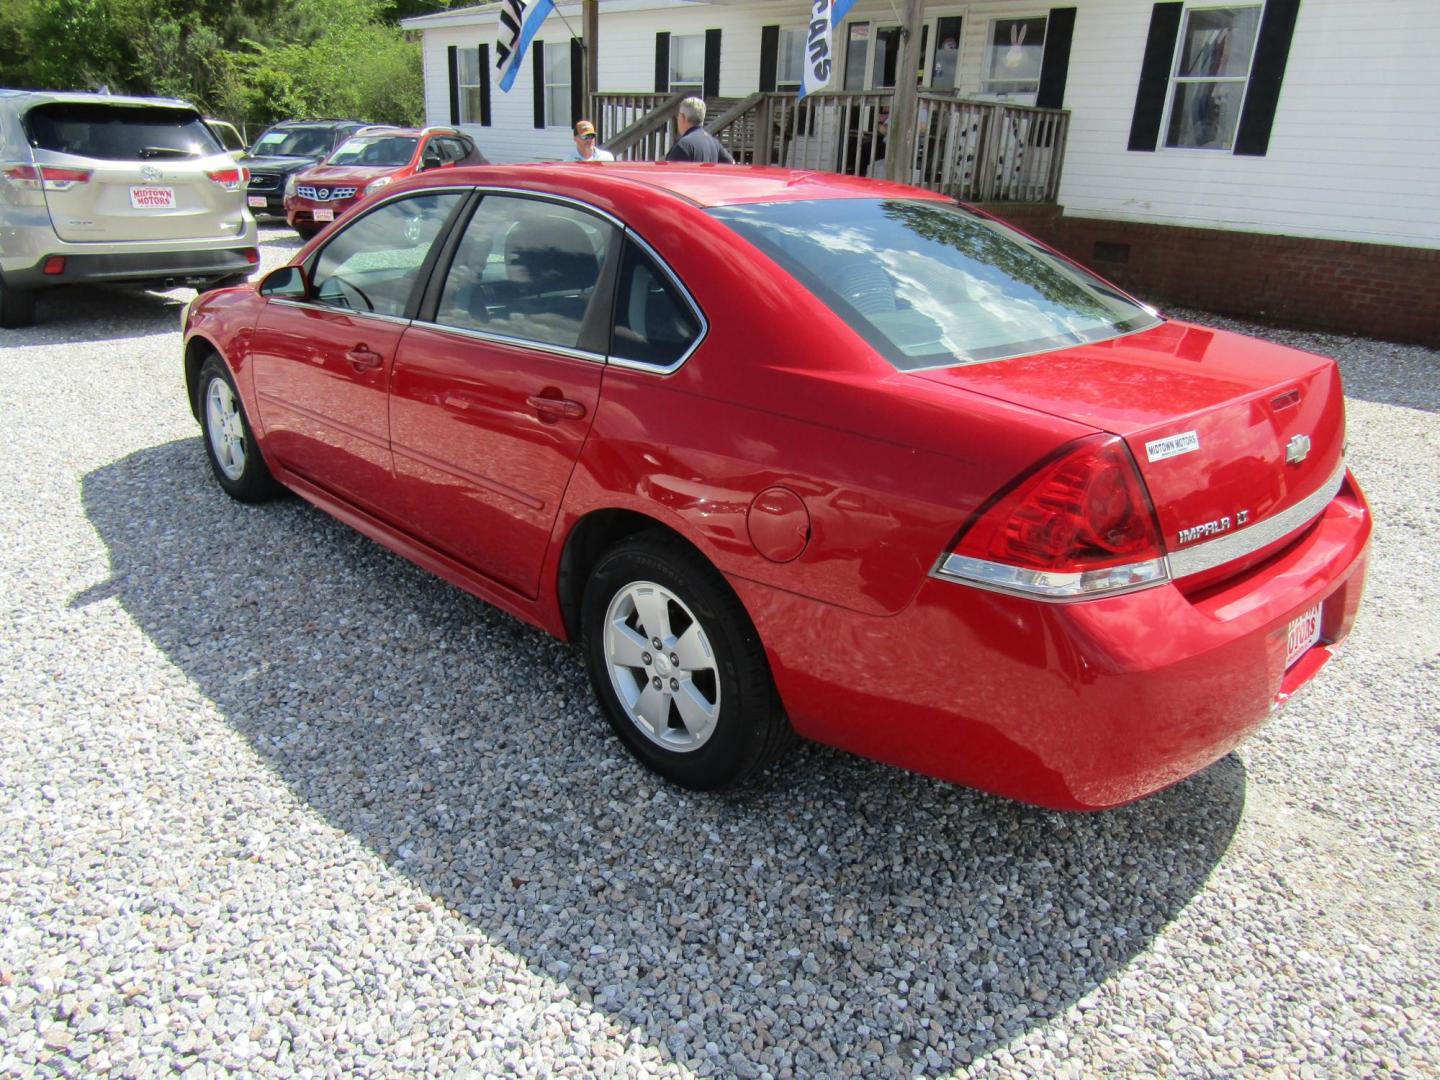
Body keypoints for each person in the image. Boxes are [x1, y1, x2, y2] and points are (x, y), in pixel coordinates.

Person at [664, 97, 734, 164]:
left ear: (683, 117)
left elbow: (670, 174)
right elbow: (732, 163)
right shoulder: (714, 144)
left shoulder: (683, 146)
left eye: (678, 116)